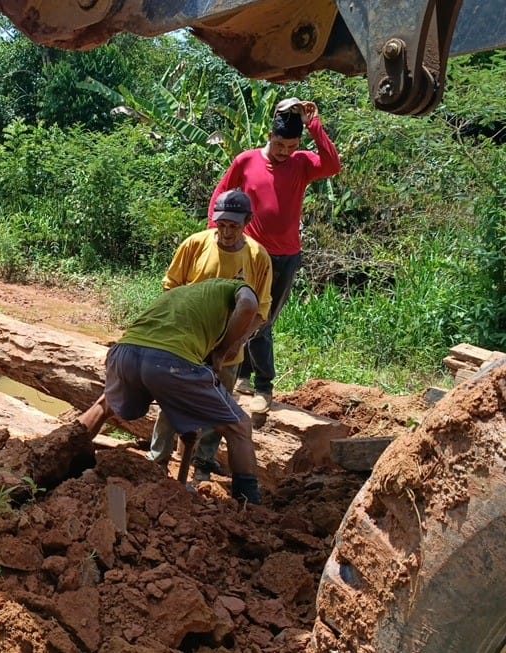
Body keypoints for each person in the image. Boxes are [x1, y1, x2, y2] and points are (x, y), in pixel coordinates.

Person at [77, 278, 264, 503]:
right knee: (239, 427)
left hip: (124, 353)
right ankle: (249, 507)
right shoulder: (235, 288)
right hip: (171, 363)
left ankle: (59, 455)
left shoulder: (185, 295)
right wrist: (221, 351)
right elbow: (249, 304)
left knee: (105, 405)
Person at [209, 97, 341, 414]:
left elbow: (332, 165)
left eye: (292, 146)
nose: (285, 152)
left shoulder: (302, 163)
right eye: (280, 145)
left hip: (285, 257)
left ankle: (263, 386)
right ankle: (244, 375)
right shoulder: (247, 160)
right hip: (250, 253)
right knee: (238, 311)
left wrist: (314, 125)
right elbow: (222, 192)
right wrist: (214, 230)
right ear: (270, 136)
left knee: (262, 320)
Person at [148, 189, 272, 481]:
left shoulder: (257, 257)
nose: (226, 232)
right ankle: (157, 461)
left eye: (234, 226)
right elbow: (171, 288)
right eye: (222, 225)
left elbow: (261, 310)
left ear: (247, 222)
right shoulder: (195, 245)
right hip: (187, 343)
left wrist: (235, 343)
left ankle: (203, 465)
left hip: (229, 348)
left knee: (217, 408)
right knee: (171, 401)